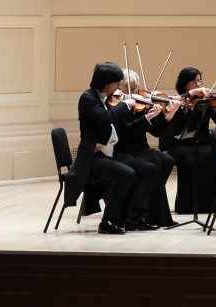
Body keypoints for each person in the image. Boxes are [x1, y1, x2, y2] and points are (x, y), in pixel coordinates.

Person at [67, 61, 158, 233]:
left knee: (143, 170)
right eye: (116, 83)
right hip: (92, 158)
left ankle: (132, 218)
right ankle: (108, 222)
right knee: (126, 173)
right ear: (107, 83)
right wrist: (125, 105)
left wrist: (145, 116)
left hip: (106, 153)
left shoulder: (103, 98)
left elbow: (119, 125)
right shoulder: (87, 98)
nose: (118, 88)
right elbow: (104, 118)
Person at [112, 69, 179, 229]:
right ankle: (137, 215)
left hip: (140, 149)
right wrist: (146, 118)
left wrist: (169, 114)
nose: (135, 93)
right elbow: (126, 134)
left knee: (167, 160)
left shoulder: (139, 105)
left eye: (135, 88)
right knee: (154, 164)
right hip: (124, 150)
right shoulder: (117, 107)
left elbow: (156, 132)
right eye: (130, 88)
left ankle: (152, 205)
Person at [160, 66, 216, 218]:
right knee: (191, 158)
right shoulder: (176, 101)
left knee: (213, 155)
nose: (199, 85)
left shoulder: (205, 101)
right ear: (185, 84)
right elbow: (170, 126)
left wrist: (210, 103)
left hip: (203, 142)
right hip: (181, 143)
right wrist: (189, 97)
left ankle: (213, 204)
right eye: (194, 82)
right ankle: (187, 205)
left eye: (200, 81)